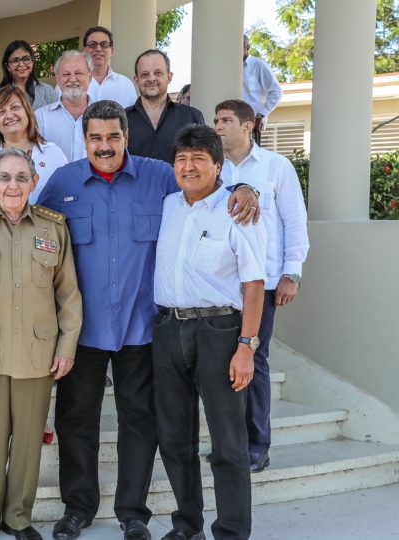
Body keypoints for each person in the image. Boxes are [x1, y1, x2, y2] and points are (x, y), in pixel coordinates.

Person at [37, 100, 260, 540]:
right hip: (81, 331)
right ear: (84, 140)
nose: (105, 146)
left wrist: (244, 185)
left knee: (140, 422)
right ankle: (77, 506)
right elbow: (36, 235)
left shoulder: (161, 176)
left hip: (143, 329)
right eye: (96, 138)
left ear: (127, 136)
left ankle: (132, 512)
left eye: (113, 137)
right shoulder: (61, 182)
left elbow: (209, 181)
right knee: (75, 420)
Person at [0, 148, 83, 540]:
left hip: (36, 351)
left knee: (28, 440)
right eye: (5, 178)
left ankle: (18, 518)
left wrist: (66, 347)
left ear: (33, 182)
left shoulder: (53, 227)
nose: (13, 185)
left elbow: (69, 295)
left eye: (21, 177)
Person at [153, 124, 266, 540]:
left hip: (220, 332)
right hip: (167, 328)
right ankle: (187, 525)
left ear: (218, 166)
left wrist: (246, 347)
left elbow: (255, 285)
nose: (189, 166)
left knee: (228, 443)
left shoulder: (238, 209)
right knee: (175, 438)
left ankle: (232, 532)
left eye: (199, 158)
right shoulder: (168, 205)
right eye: (182, 159)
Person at [214, 99, 309, 474]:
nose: (218, 127)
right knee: (223, 364)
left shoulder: (276, 168)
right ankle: (231, 444)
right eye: (216, 120)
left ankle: (258, 443)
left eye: (225, 120)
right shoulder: (215, 170)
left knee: (254, 358)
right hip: (222, 285)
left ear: (248, 125)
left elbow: (294, 221)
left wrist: (292, 273)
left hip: (265, 282)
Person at [0, 86, 67, 205]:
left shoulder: (54, 153)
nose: (9, 115)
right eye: (1, 112)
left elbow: (68, 198)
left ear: (28, 112)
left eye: (15, 107)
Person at [126, 50, 205, 164]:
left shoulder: (192, 116)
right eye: (145, 74)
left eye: (158, 73)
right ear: (136, 80)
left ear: (169, 76)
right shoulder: (121, 120)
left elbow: (202, 160)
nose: (151, 79)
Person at [35, 50, 95, 162]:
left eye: (78, 73)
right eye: (66, 74)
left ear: (90, 76)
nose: (72, 79)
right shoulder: (41, 117)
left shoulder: (103, 115)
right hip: (55, 180)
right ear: (57, 79)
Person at [0, 40, 57, 110]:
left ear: (33, 62)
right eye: (15, 60)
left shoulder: (48, 91)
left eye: (26, 59)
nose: (21, 64)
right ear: (8, 67)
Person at [83, 26, 137, 108]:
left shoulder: (126, 84)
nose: (98, 49)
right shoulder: (70, 84)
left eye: (104, 44)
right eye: (92, 44)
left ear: (112, 50)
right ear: (85, 50)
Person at [242, 34, 282, 142]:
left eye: (240, 46)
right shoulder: (229, 67)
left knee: (253, 157)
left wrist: (260, 115)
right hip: (234, 124)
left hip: (253, 124)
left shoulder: (259, 66)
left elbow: (276, 92)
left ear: (247, 46)